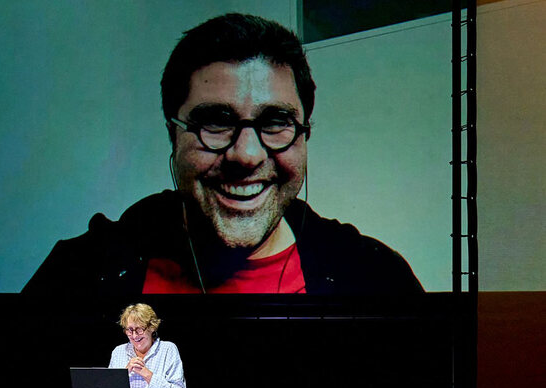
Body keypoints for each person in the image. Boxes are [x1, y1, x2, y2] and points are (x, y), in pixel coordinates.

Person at [22, 13, 423, 296]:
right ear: (171, 134)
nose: (246, 155)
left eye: (275, 122)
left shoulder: (375, 278)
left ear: (304, 135)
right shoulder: (81, 273)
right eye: (215, 122)